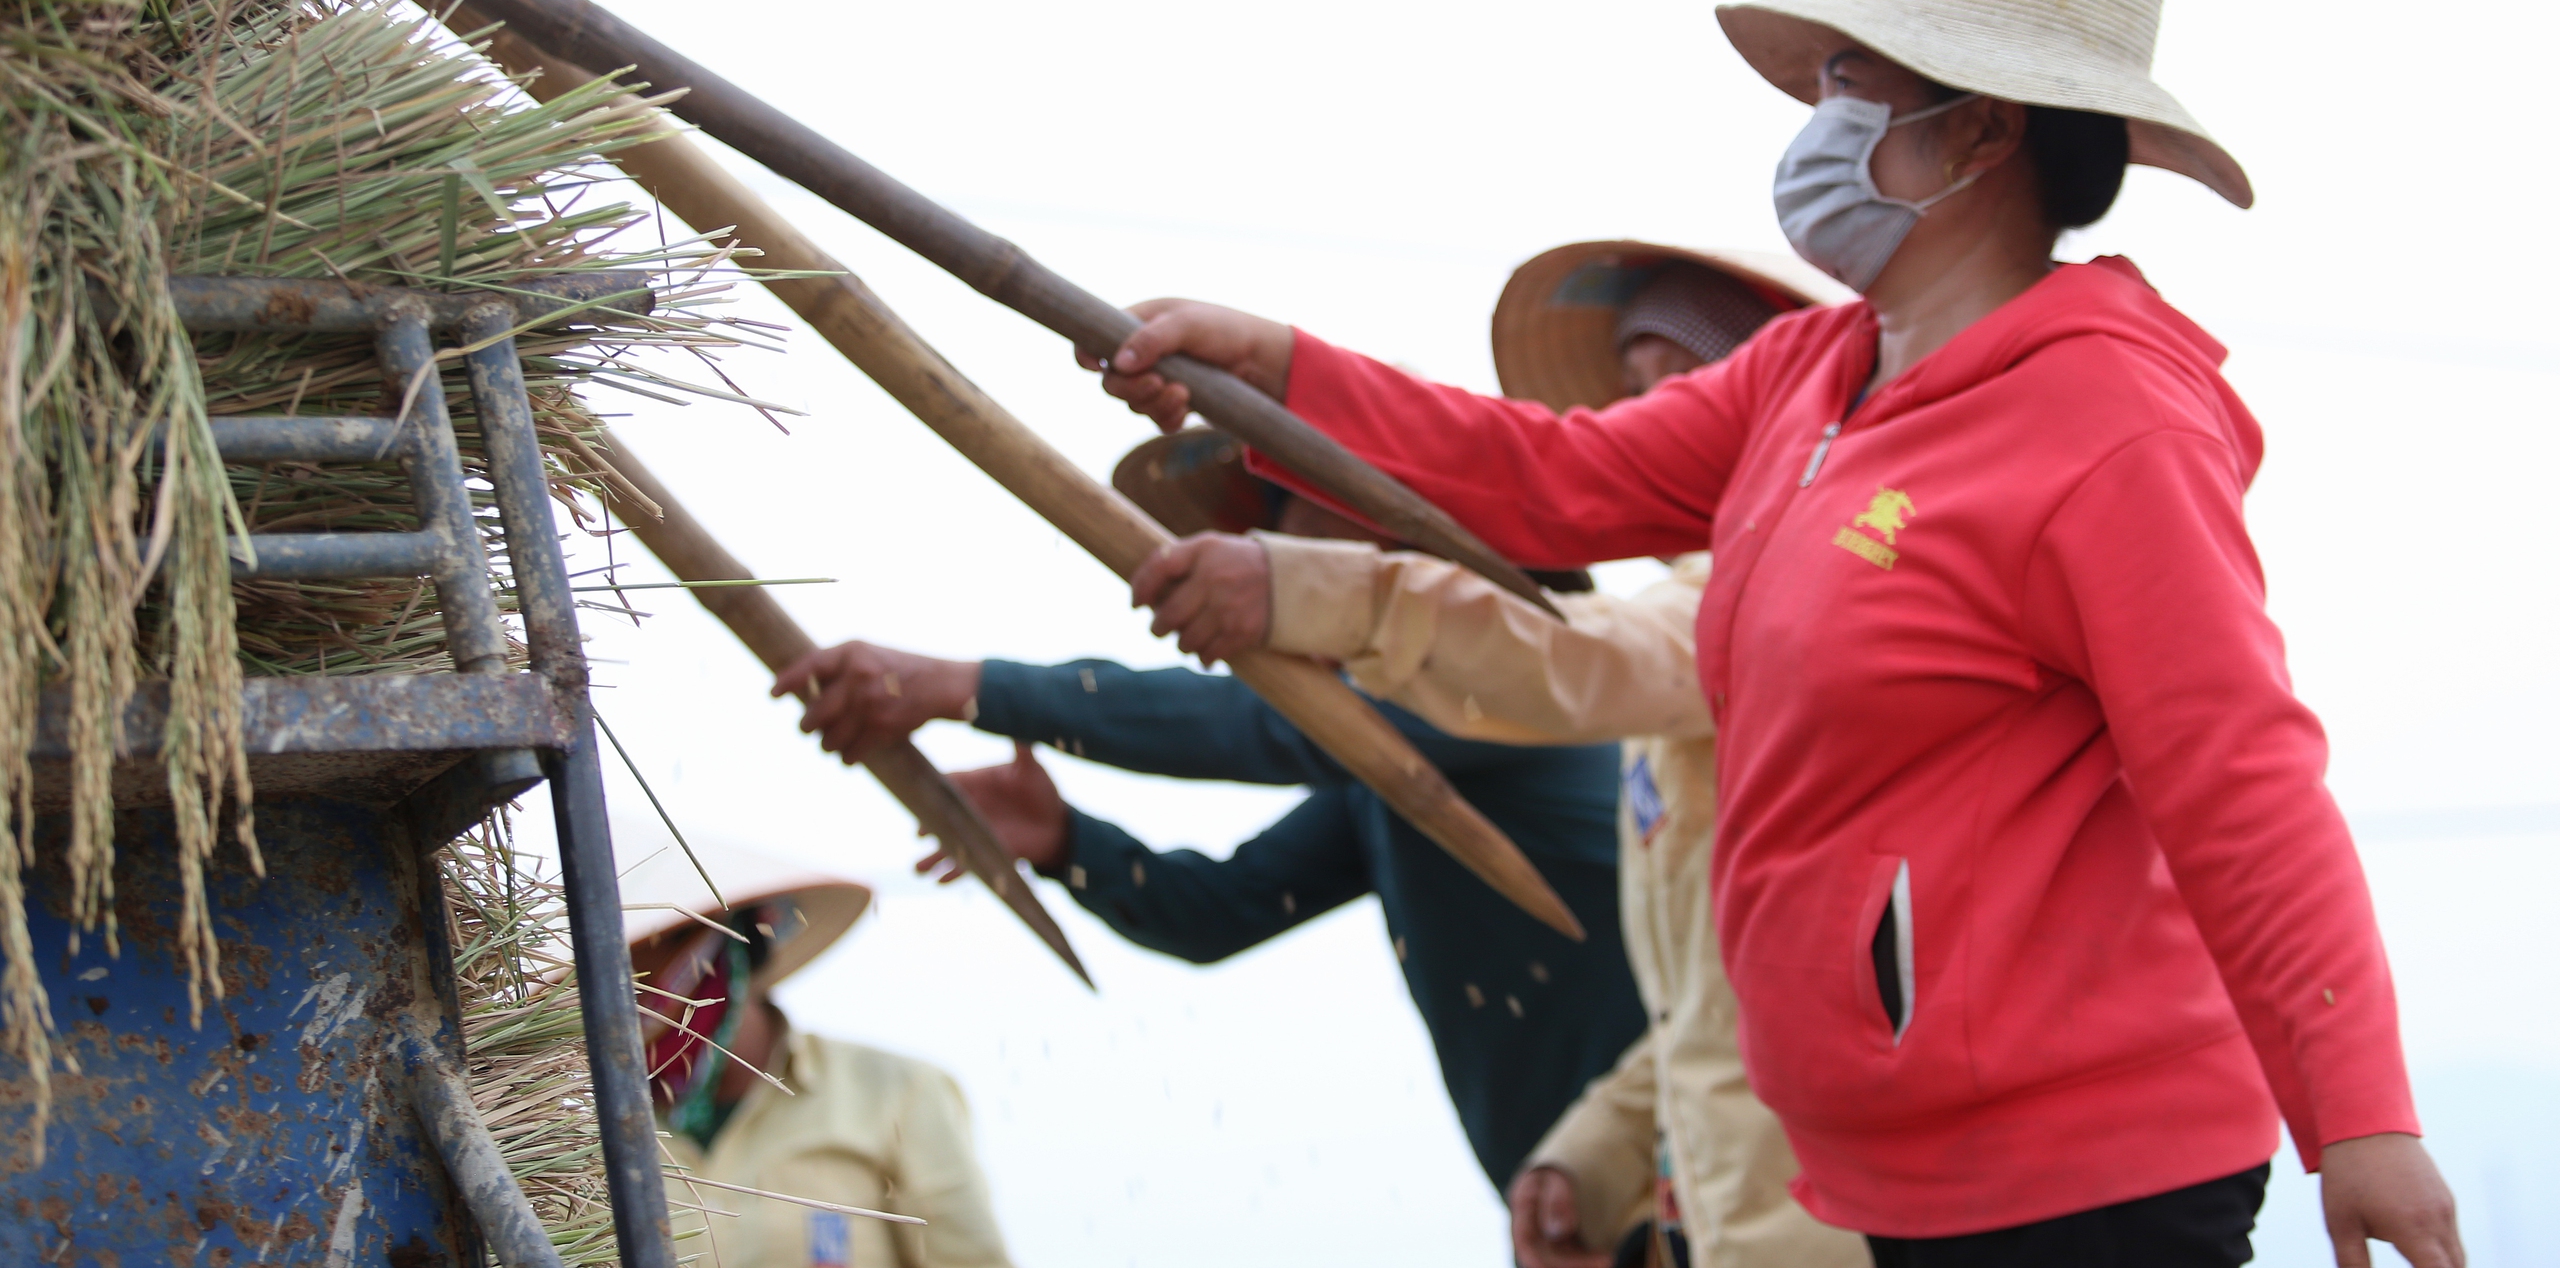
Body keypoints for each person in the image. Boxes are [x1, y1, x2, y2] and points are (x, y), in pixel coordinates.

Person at [1085, 0, 2464, 1267]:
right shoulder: (1808, 374)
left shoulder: (2111, 423)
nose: (1821, 116)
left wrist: (2360, 1117)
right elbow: (1551, 478)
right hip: (1883, 1168)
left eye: (1858, 84)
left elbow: (2239, 776)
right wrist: (1289, 377)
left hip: (2085, 1177)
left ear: (1982, 132)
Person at [1141, 242, 1866, 1268]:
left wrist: (976, 687)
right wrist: (1595, 1153)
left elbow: (1566, 660)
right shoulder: (1666, 700)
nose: (1672, 412)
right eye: (1641, 391)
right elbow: (1720, 1010)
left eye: (1697, 382)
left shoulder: (1778, 599)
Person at [773, 435, 1649, 1203]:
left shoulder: (1505, 688)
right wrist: (1070, 840)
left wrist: (972, 687)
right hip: (1580, 1203)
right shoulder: (1393, 777)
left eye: (1321, 576)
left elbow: (1262, 725)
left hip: (1689, 1174)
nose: (1287, 607)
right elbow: (1221, 909)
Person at [623, 825, 1014, 1268]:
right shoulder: (591, 1145)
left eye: (670, 948)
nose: (651, 986)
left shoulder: (896, 1093)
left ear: (740, 944)